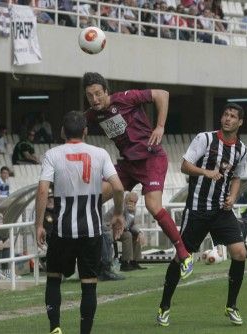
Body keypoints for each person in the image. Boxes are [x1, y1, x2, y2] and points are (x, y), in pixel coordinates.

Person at [82, 72, 194, 282]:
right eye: (90, 96)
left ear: (106, 91)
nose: (95, 99)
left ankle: (184, 254)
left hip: (151, 158)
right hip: (127, 164)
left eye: (98, 94)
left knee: (153, 206)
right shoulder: (92, 114)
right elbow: (73, 127)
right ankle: (93, 258)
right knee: (93, 198)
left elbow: (162, 94)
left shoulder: (125, 98)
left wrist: (160, 126)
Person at [157, 103, 247, 327]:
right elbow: (185, 166)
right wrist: (205, 172)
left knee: (240, 252)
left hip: (221, 210)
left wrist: (233, 197)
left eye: (233, 116)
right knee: (182, 257)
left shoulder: (241, 149)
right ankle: (164, 306)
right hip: (197, 209)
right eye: (225, 114)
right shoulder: (205, 139)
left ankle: (231, 306)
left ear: (240, 122)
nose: (227, 119)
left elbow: (237, 176)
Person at [35, 111, 125, 334]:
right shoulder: (100, 153)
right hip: (91, 230)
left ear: (63, 131)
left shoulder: (52, 154)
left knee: (54, 279)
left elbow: (43, 190)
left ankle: (55, 327)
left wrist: (38, 224)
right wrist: (118, 214)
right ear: (86, 131)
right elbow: (119, 187)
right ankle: (85, 331)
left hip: (62, 230)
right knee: (88, 284)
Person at [104, 192, 147, 271]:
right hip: (108, 230)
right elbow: (124, 226)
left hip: (119, 230)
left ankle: (134, 261)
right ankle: (125, 263)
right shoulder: (120, 207)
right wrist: (130, 214)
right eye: (131, 201)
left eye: (135, 202)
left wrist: (139, 232)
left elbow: (132, 225)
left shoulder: (132, 209)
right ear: (125, 200)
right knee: (128, 235)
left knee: (136, 235)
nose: (133, 203)